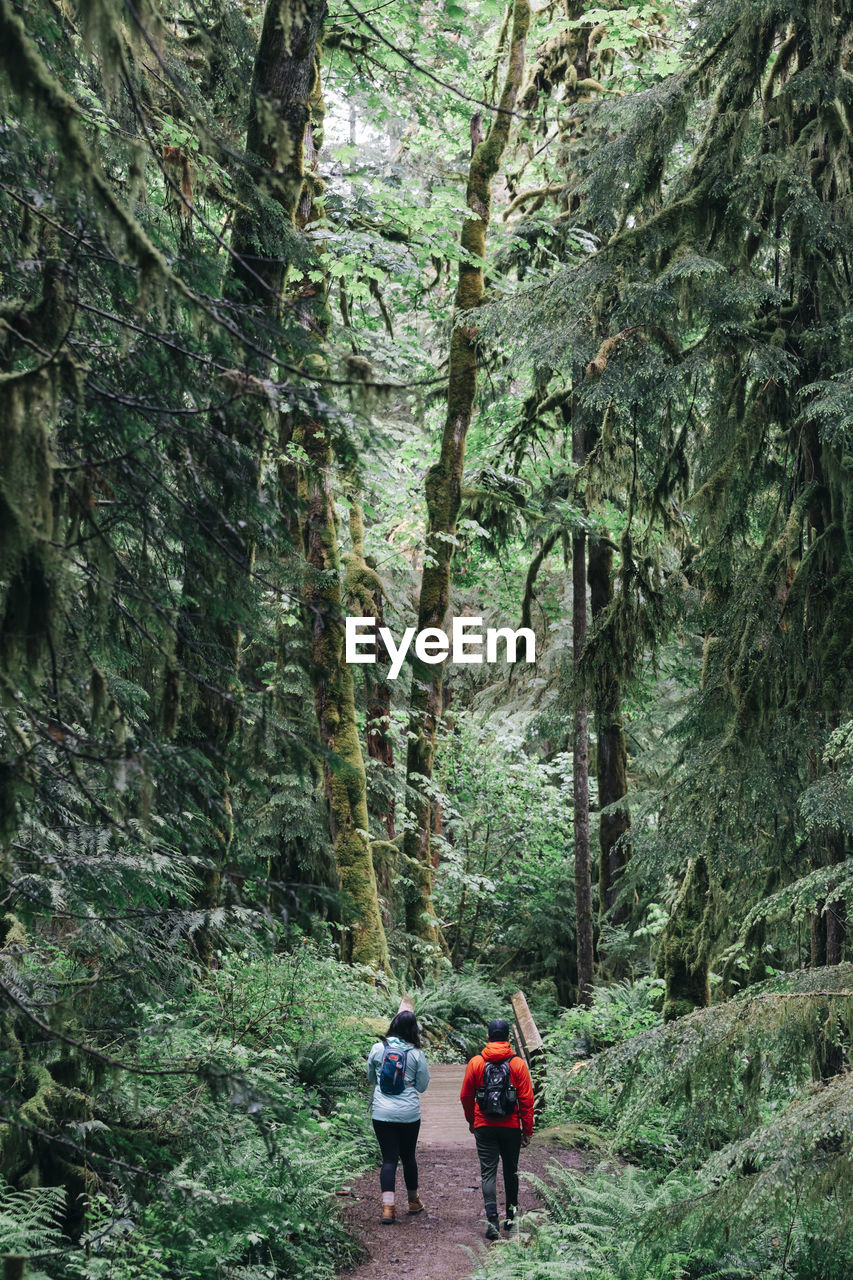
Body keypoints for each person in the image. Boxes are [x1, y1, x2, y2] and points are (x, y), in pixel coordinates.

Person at [460, 1017, 534, 1240]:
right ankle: (511, 1219)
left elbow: (465, 1096)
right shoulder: (517, 1064)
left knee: (488, 1172)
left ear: (488, 1037)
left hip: (484, 1125)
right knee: (511, 1171)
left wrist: (472, 1120)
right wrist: (527, 1130)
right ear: (509, 1038)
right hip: (511, 1126)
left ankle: (492, 1220)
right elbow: (526, 1099)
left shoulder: (476, 1063)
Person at [366, 1009, 430, 1224]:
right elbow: (422, 1086)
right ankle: (413, 1202)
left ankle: (387, 1208)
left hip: (382, 1112)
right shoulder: (416, 1054)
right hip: (409, 1114)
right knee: (408, 1157)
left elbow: (370, 1079)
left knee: (389, 1159)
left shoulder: (377, 1048)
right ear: (414, 1030)